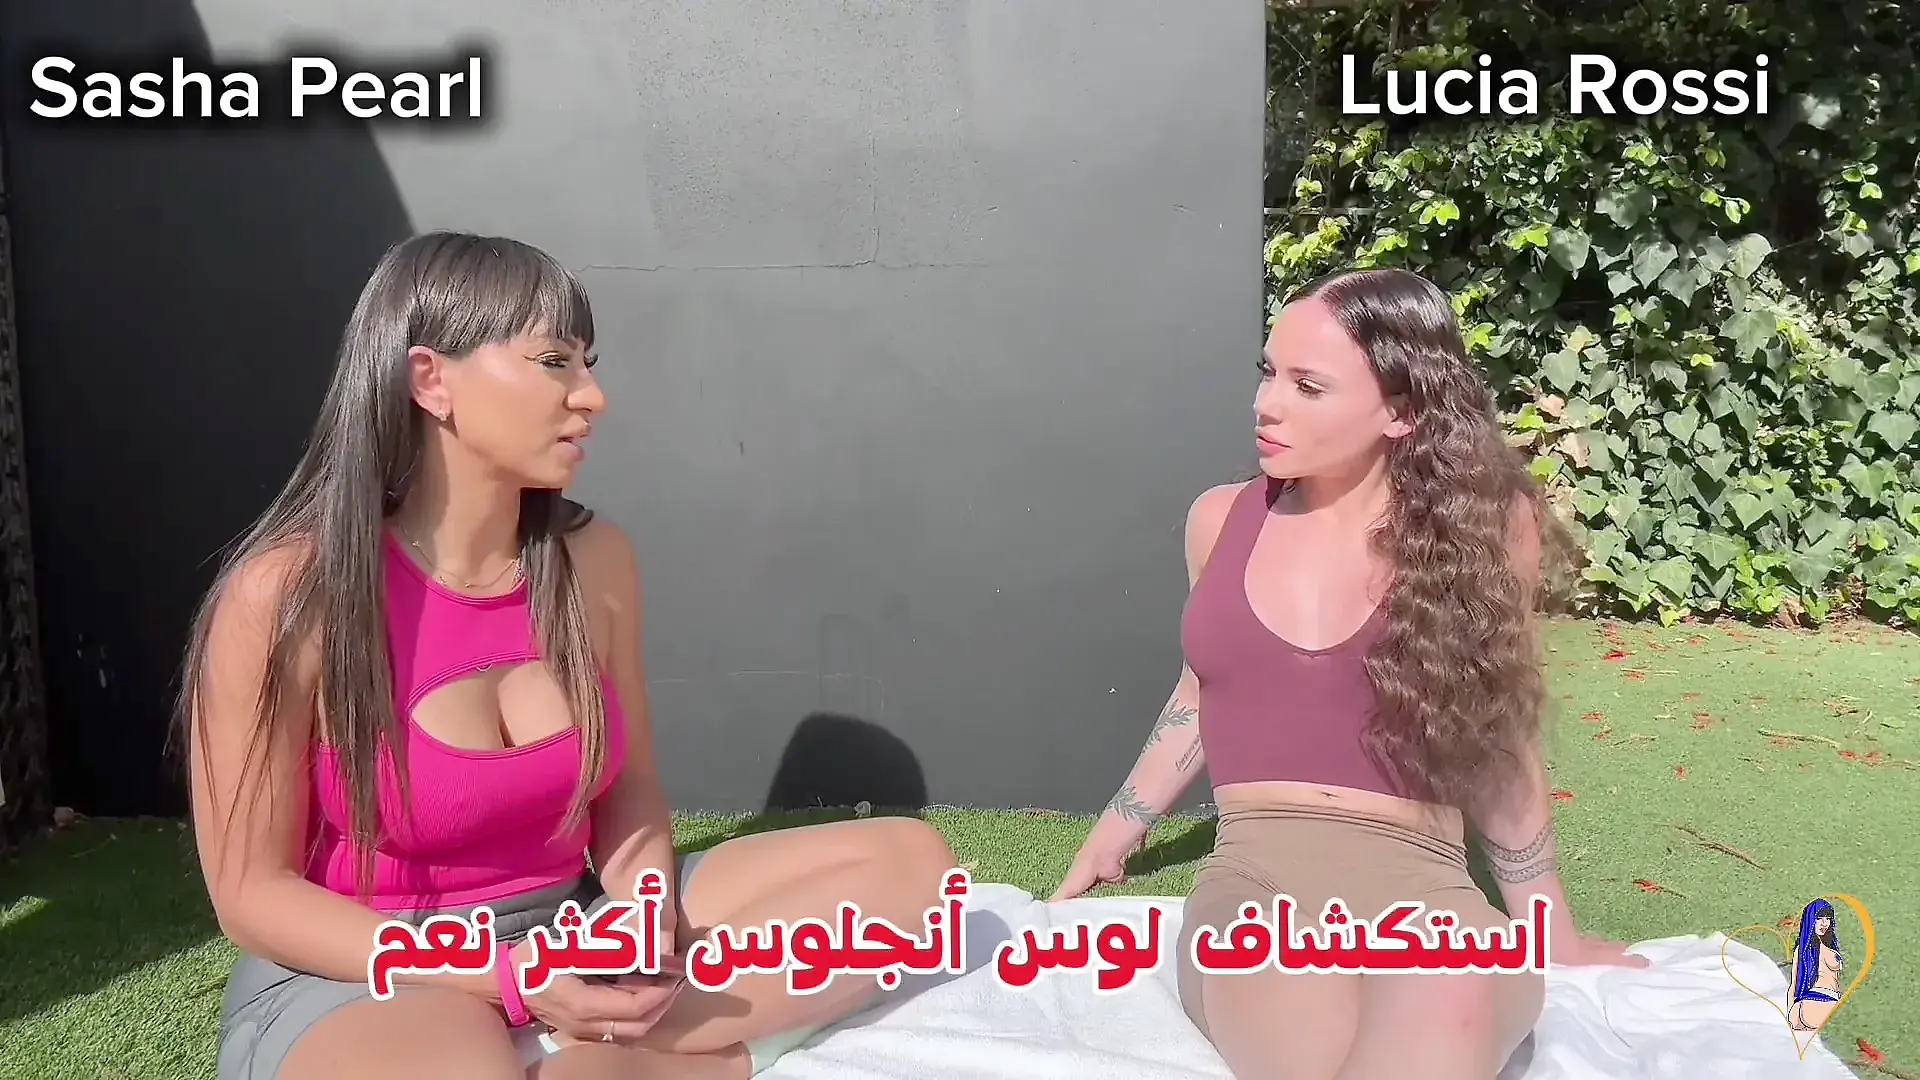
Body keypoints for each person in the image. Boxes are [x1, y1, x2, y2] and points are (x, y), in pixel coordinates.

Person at [182, 232, 957, 1080]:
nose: (592, 397)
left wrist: (644, 913)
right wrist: (506, 978)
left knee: (911, 870)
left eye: (587, 363)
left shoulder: (594, 561)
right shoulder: (291, 595)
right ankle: (690, 1061)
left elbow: (631, 791)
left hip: (571, 924)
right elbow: (250, 892)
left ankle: (624, 1042)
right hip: (377, 966)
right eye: (554, 361)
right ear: (430, 380)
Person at [1050, 267, 1648, 1079]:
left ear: (1401, 410)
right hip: (1258, 880)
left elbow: (1499, 734)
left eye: (1308, 386)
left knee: (1452, 996)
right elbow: (1203, 691)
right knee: (1305, 1015)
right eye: (1268, 372)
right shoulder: (1221, 519)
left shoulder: (1488, 531)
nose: (1267, 404)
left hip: (1427, 886)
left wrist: (1553, 929)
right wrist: (1116, 832)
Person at [1788, 898, 1844, 1031]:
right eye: (1819, 918)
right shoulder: (1806, 949)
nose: (1824, 923)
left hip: (1811, 1007)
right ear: (1811, 920)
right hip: (1817, 1004)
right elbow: (1794, 982)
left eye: (1828, 919)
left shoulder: (1826, 946)